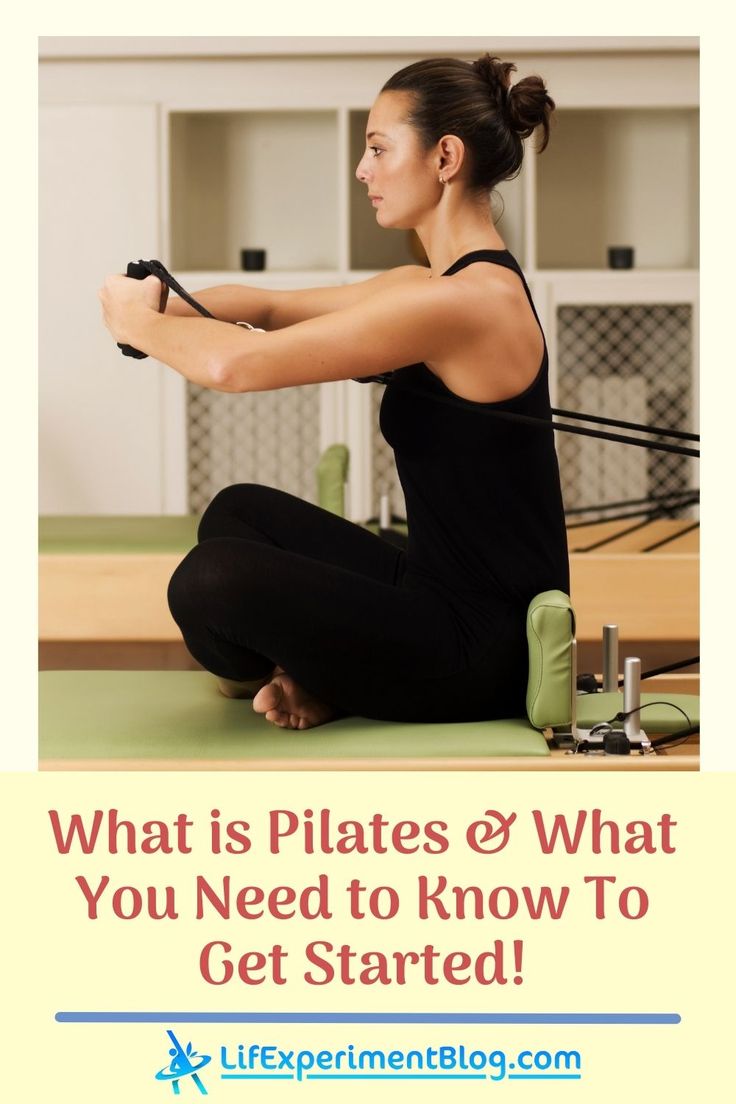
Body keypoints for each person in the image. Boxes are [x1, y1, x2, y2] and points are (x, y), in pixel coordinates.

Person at [99, 54, 569, 731]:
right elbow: (265, 306)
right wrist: (156, 303)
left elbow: (237, 367)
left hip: (479, 649)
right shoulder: (433, 287)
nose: (362, 170)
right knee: (238, 514)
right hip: (430, 590)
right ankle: (329, 678)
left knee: (210, 581)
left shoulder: (469, 304)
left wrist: (134, 323)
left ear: (445, 157)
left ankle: (329, 677)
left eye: (378, 148)